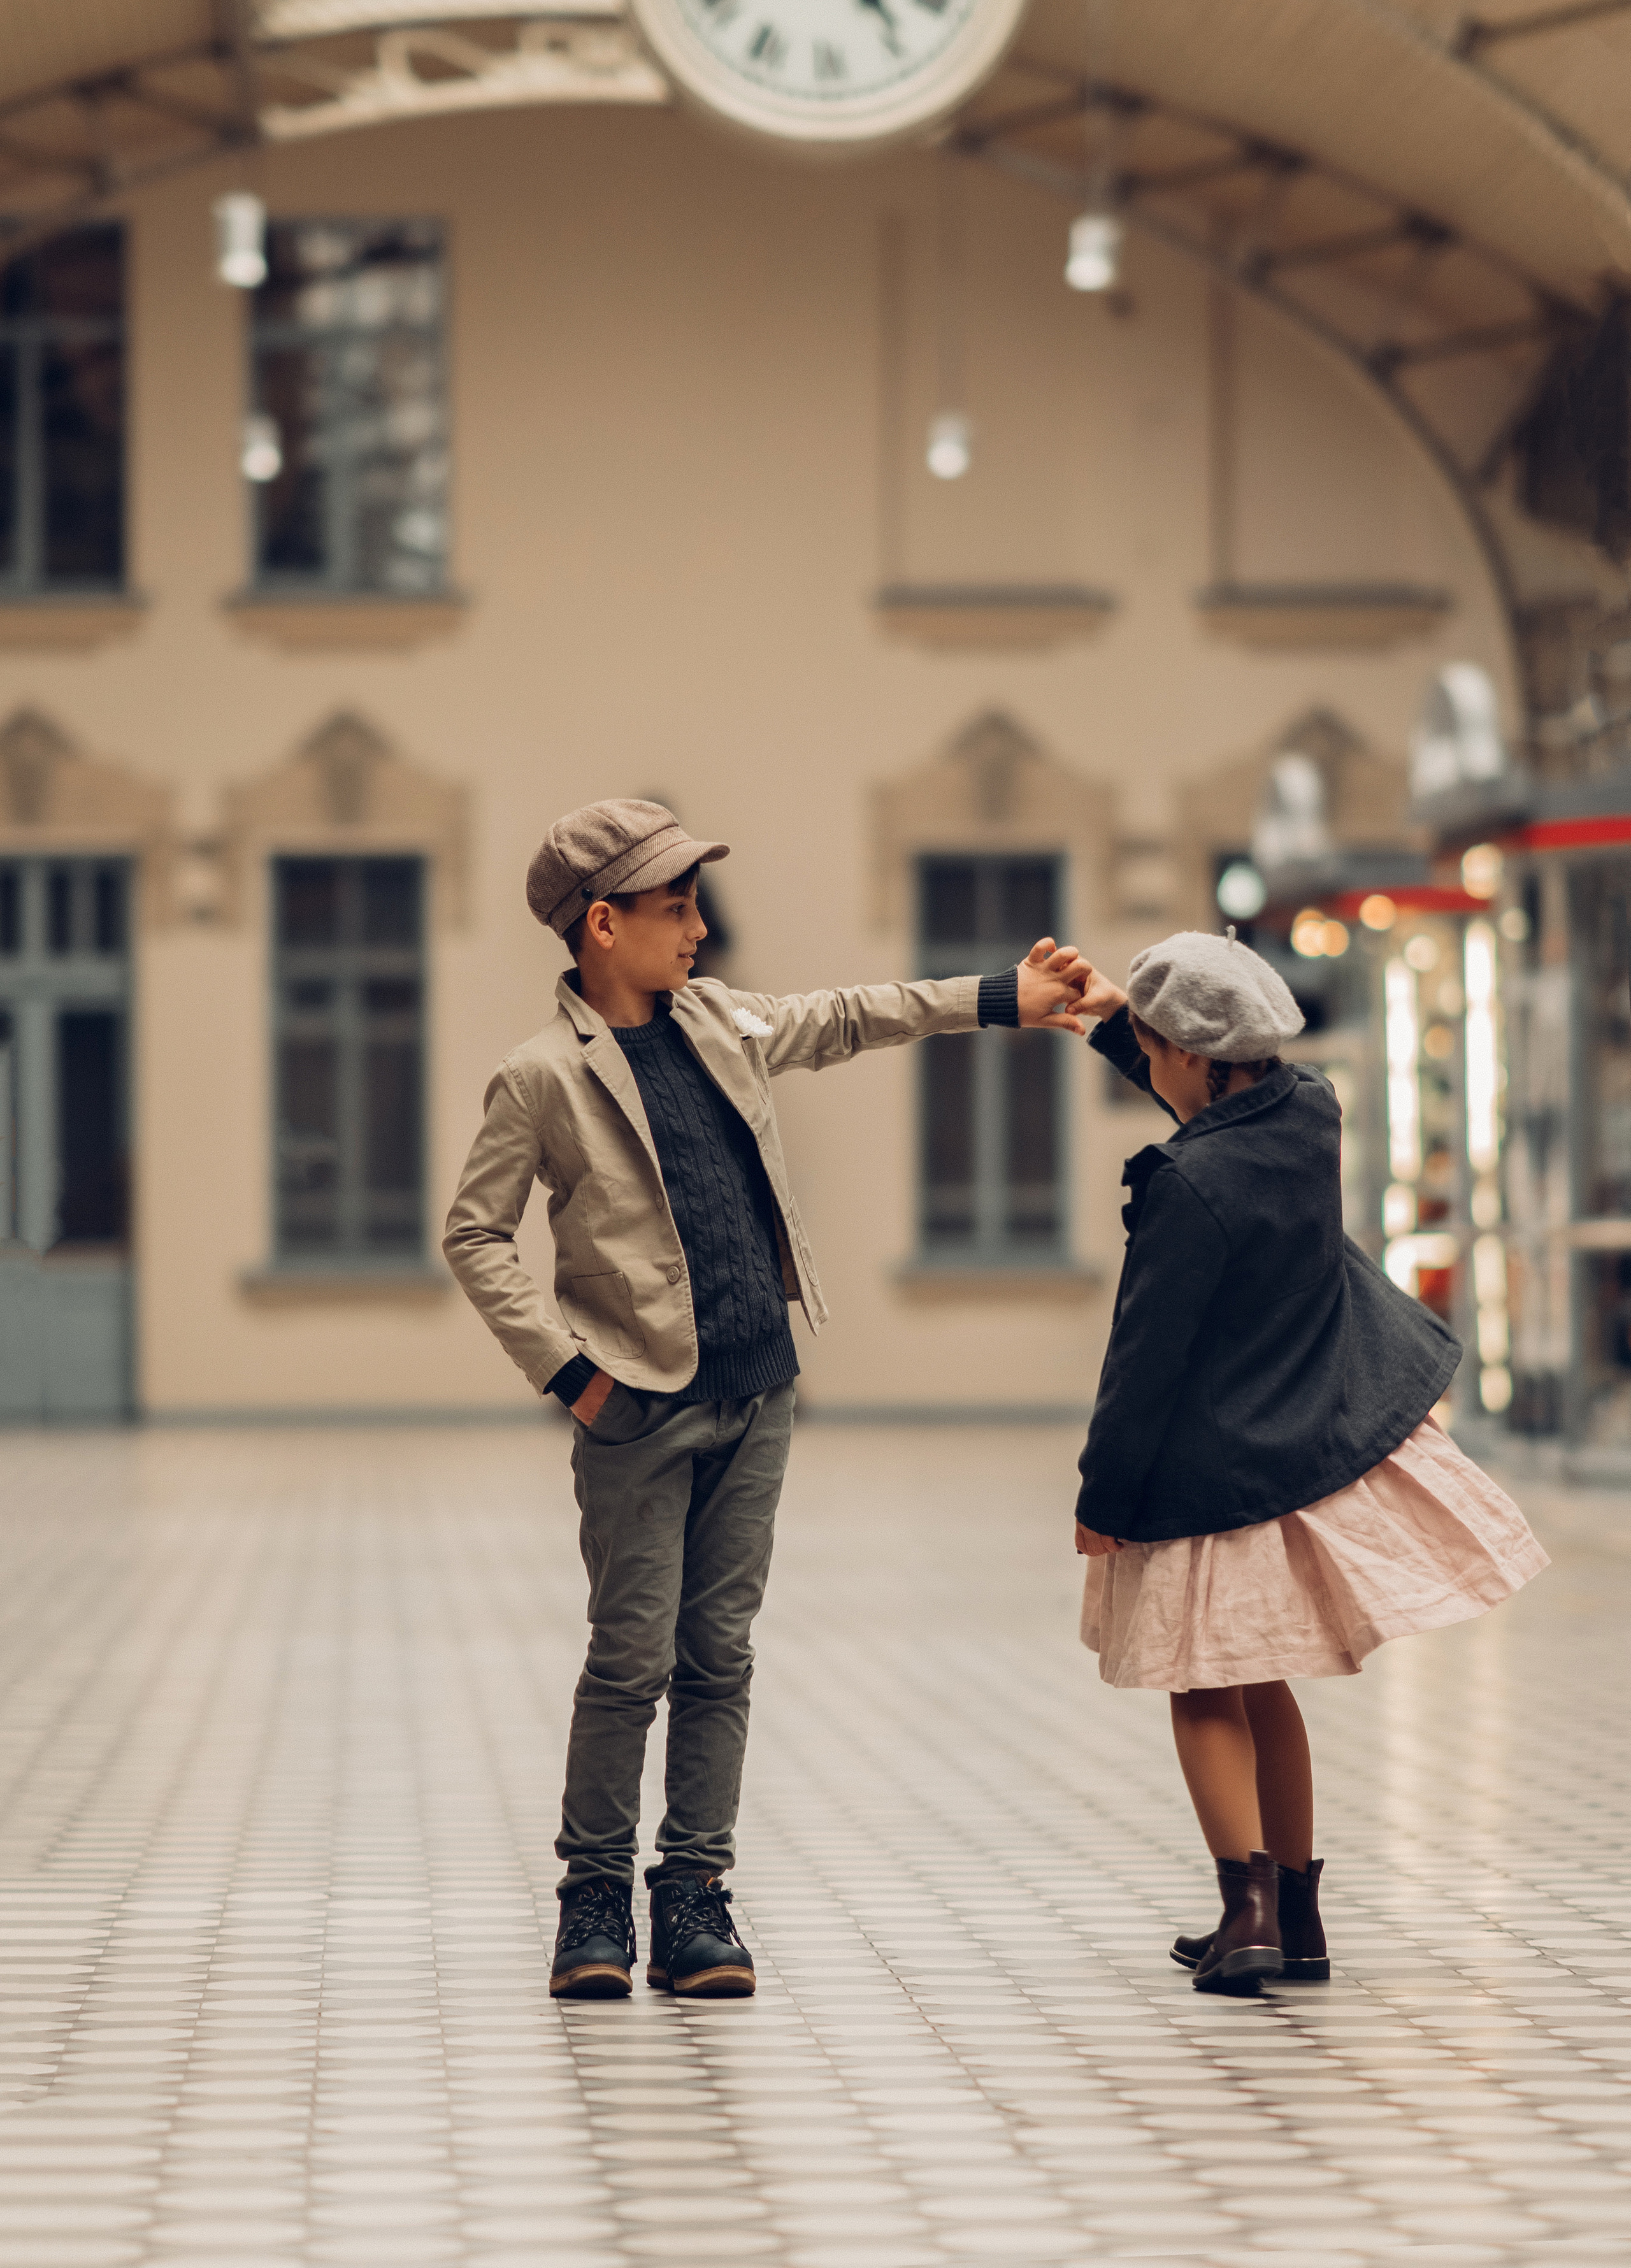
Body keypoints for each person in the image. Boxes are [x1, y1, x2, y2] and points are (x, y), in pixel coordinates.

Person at [444, 798, 1089, 2001]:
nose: (697, 929)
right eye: (673, 909)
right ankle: (594, 1897)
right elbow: (474, 1233)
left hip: (759, 1392)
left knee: (719, 1653)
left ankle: (694, 1896)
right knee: (629, 1655)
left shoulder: (723, 1020)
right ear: (602, 926)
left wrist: (1002, 996)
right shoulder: (540, 1077)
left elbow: (854, 1014)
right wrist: (569, 1373)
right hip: (634, 1406)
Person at [1072, 929, 1547, 1995]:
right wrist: (1114, 1024)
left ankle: (1243, 1913)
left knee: (1199, 1684)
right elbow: (1221, 1121)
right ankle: (1296, 1912)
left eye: (1151, 1052)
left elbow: (1143, 1360)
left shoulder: (1183, 1186)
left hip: (1205, 1470)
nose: (1149, 1067)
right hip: (1297, 1447)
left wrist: (1103, 1497)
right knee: (1264, 1680)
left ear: (1191, 1056)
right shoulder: (1309, 1113)